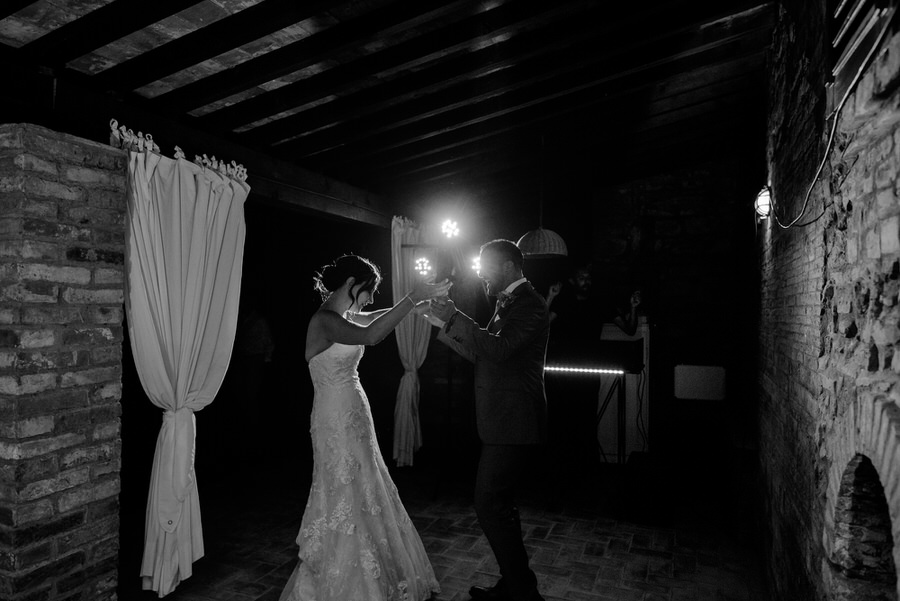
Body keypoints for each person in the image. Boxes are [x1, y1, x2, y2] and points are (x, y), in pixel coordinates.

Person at [279, 254, 451, 601]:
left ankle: (373, 567)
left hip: (355, 411)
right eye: (369, 290)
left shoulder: (344, 317)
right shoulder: (325, 320)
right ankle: (346, 574)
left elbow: (372, 319)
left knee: (366, 486)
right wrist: (410, 299)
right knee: (342, 488)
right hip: (333, 416)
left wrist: (411, 309)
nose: (371, 298)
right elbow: (371, 336)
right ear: (351, 284)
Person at [426, 239, 549, 601]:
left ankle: (522, 590)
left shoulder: (531, 305)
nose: (482, 272)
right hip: (502, 418)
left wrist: (455, 317)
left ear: (509, 266)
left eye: (487, 265)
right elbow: (488, 357)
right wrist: (445, 328)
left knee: (488, 502)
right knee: (499, 505)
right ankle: (516, 586)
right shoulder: (506, 302)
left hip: (516, 420)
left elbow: (499, 349)